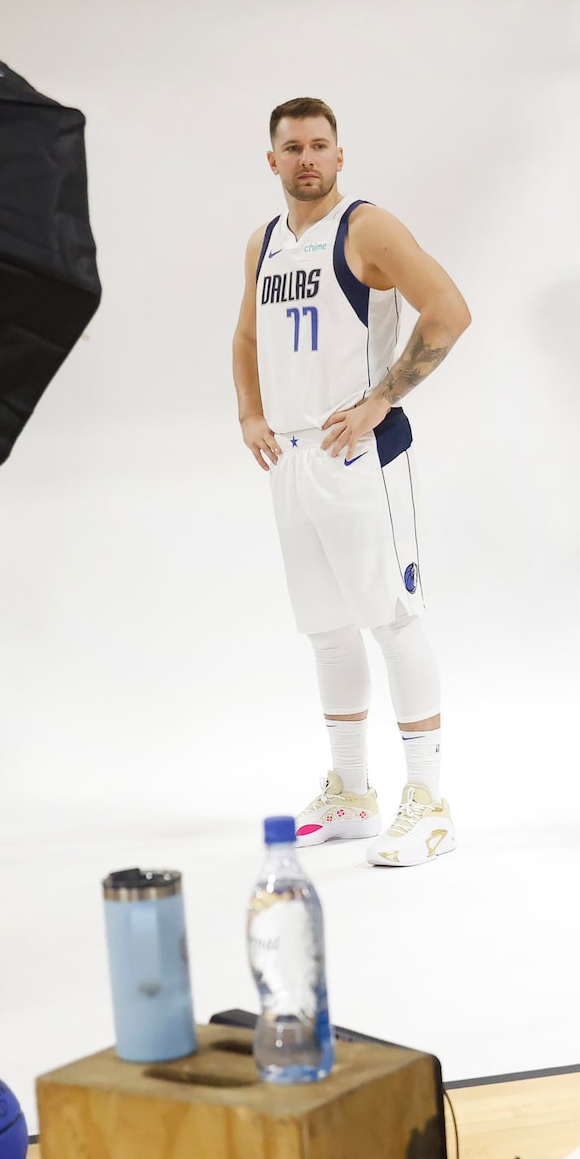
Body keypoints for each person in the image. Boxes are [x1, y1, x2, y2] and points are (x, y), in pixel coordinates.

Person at [232, 98, 472, 867]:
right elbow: (244, 335)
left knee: (392, 618)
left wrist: (381, 398)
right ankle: (352, 792)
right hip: (294, 458)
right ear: (271, 160)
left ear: (340, 156)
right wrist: (249, 414)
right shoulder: (264, 243)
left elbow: (449, 311)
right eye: (292, 147)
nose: (306, 158)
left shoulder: (364, 228)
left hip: (360, 455)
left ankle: (428, 801)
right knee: (327, 628)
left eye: (319, 146)